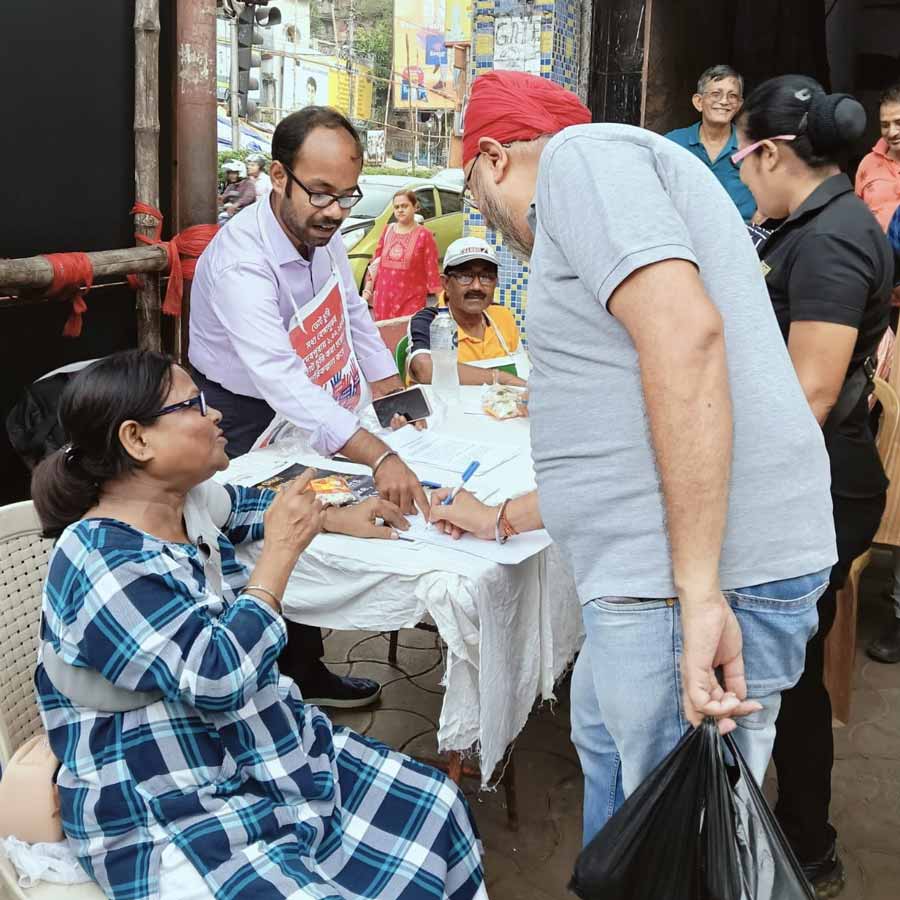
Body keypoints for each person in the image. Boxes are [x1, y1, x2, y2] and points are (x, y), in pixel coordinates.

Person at [452, 69, 837, 848]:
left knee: (682, 832)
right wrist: (507, 514)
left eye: (472, 196)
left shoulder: (580, 162)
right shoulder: (609, 180)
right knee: (608, 746)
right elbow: (631, 413)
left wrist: (698, 592)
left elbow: (685, 338)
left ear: (492, 158)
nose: (488, 224)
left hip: (688, 577)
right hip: (658, 573)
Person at [30, 350, 486, 900]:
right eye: (194, 404)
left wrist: (338, 516)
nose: (215, 413)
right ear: (138, 439)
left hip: (246, 752)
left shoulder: (184, 502)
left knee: (436, 805)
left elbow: (247, 506)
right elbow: (218, 678)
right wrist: (280, 556)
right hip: (164, 799)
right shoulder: (100, 558)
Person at [190, 106, 429, 710]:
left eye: (347, 197)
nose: (334, 212)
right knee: (260, 534)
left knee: (313, 514)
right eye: (320, 194)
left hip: (306, 395)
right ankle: (263, 679)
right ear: (277, 175)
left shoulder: (320, 237)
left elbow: (349, 311)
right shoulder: (241, 258)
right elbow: (279, 377)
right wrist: (377, 453)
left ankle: (304, 670)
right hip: (238, 413)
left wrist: (388, 393)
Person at [735, 75, 893, 896]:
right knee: (789, 665)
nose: (740, 168)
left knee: (787, 667)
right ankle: (800, 834)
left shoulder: (831, 237)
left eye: (742, 153)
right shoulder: (813, 221)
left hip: (821, 482)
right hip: (813, 474)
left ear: (766, 150)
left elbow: (812, 393)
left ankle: (805, 844)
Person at [406, 236, 526, 387]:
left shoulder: (502, 316)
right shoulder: (430, 321)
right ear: (446, 283)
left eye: (486, 277)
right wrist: (501, 378)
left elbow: (523, 370)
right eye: (465, 276)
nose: (476, 286)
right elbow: (424, 369)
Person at [665, 65, 757, 221]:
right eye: (716, 94)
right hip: (685, 236)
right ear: (699, 102)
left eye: (732, 95)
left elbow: (775, 191)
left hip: (739, 236)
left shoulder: (752, 147)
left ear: (739, 105)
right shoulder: (673, 143)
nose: (724, 101)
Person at [368, 190, 442, 320]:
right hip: (383, 302)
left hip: (411, 303)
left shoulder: (425, 235)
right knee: (384, 338)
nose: (400, 210)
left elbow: (433, 273)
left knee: (407, 338)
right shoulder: (387, 230)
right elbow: (375, 264)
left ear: (415, 207)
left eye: (404, 206)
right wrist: (367, 293)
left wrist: (443, 303)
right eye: (397, 207)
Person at [855, 83, 900, 231]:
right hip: (876, 252)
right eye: (885, 125)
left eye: (898, 123)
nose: (892, 132)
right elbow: (856, 215)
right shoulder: (868, 164)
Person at [217, 159, 256, 224]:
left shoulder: (248, 184)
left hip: (246, 216)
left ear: (241, 173)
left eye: (233, 173)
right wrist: (219, 198)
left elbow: (248, 197)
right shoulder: (231, 186)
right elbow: (223, 198)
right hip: (232, 214)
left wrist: (236, 205)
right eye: (229, 173)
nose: (231, 176)